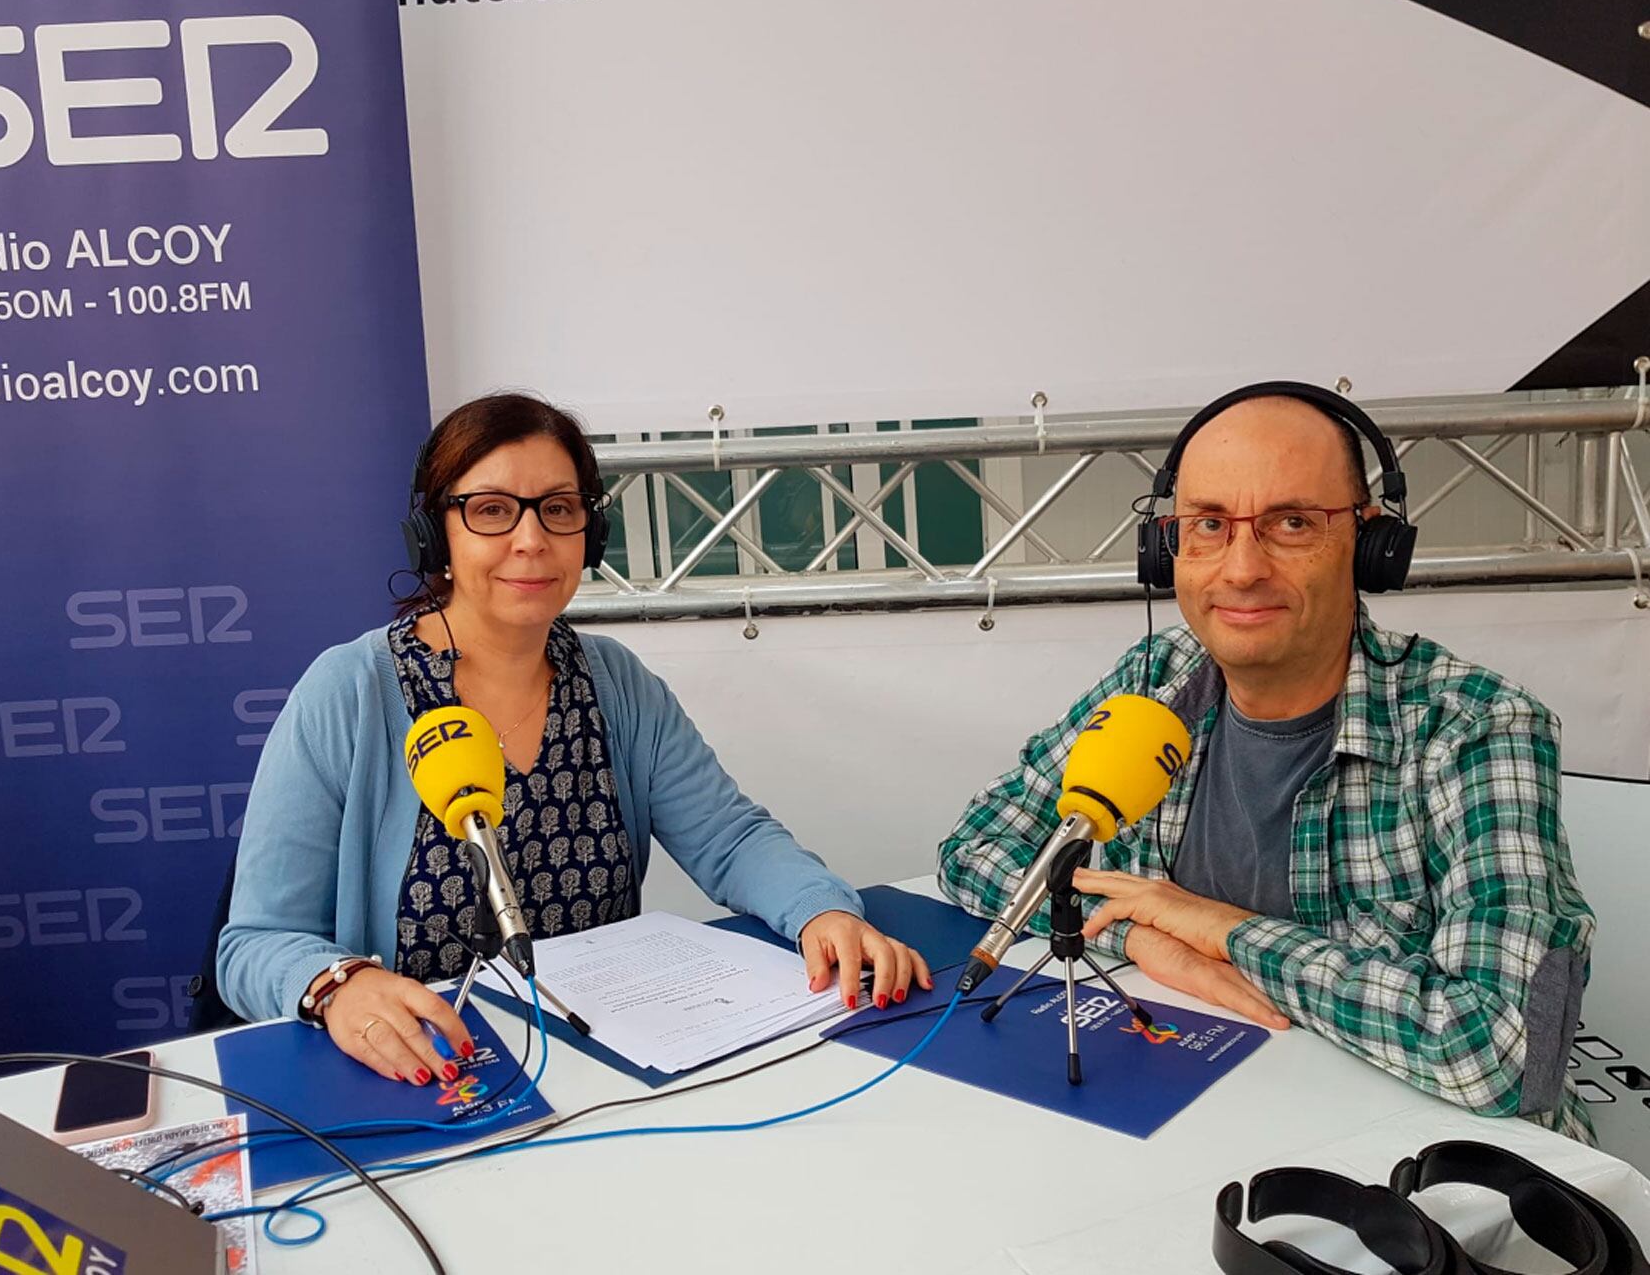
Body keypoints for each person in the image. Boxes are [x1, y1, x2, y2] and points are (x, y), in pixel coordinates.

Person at [938, 382, 1596, 1140]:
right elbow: (976, 849)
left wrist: (1220, 928)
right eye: (1209, 524)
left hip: (1429, 1175)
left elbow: (1506, 1055)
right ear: (1167, 549)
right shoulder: (1157, 680)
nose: (1242, 568)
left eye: (1291, 522)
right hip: (1209, 1125)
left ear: (1372, 543)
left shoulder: (1475, 727)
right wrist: (1139, 933)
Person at [220, 392, 929, 1085]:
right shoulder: (350, 690)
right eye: (492, 510)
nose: (531, 539)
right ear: (435, 536)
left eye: (558, 509)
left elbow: (730, 837)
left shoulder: (615, 681)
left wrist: (821, 907)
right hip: (421, 1075)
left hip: (599, 1073)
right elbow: (253, 943)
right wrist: (337, 986)